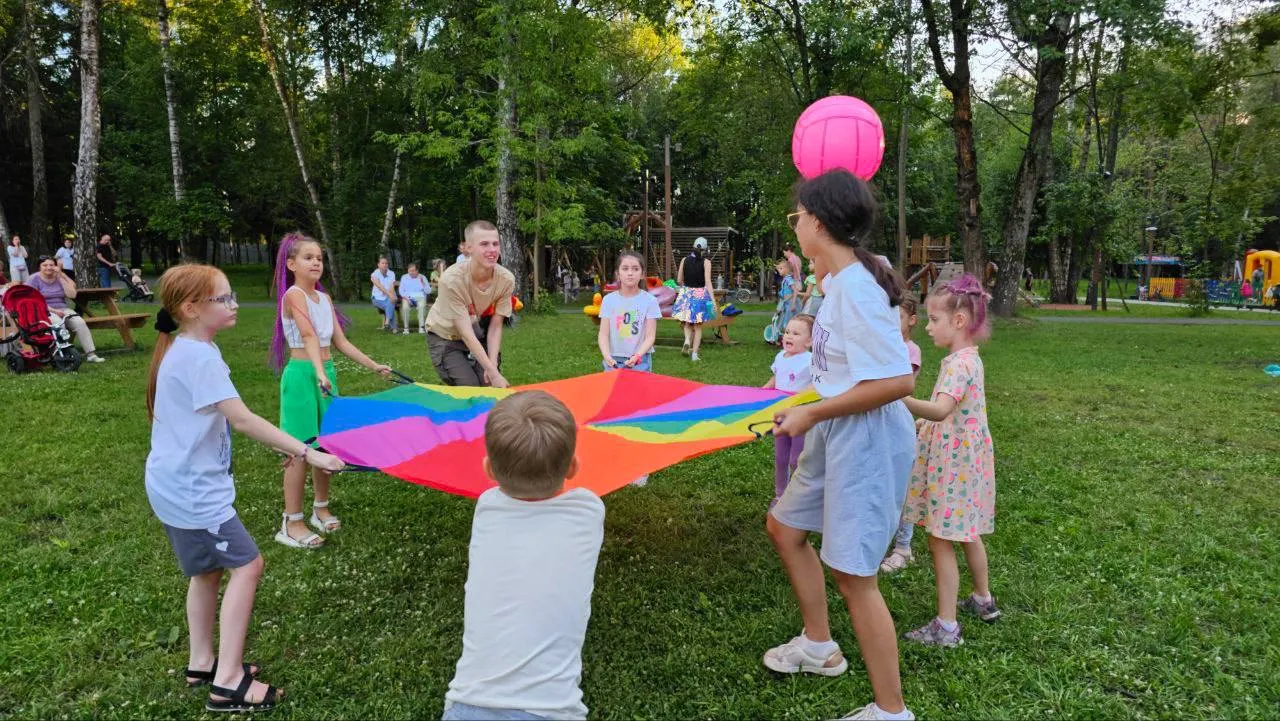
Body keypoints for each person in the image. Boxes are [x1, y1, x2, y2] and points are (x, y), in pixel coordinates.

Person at [144, 263, 345, 713]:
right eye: (225, 299)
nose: (234, 304)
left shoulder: (185, 348)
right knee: (248, 566)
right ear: (192, 308)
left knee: (206, 572)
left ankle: (202, 662)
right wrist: (308, 451)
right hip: (195, 493)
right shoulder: (198, 356)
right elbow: (242, 418)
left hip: (170, 486)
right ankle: (228, 683)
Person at [766, 170, 916, 721]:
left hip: (869, 438)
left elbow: (898, 382)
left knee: (854, 576)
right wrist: (808, 402)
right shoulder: (837, 283)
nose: (796, 225)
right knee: (785, 528)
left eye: (798, 216)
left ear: (819, 222)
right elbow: (842, 369)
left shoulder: (857, 290)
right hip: (835, 428)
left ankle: (891, 712)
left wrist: (812, 412)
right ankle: (819, 646)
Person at [443, 390, 604, 721]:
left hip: (468, 705)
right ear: (574, 466)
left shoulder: (486, 507)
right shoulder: (589, 509)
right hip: (552, 712)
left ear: (488, 468)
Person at [270, 233, 391, 549]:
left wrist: (373, 365)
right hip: (301, 376)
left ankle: (320, 508)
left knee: (327, 444)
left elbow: (340, 342)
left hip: (325, 375)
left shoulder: (324, 299)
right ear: (291, 263)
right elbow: (308, 335)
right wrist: (320, 372)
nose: (315, 262)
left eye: (319, 258)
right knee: (300, 448)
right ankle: (291, 522)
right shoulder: (293, 296)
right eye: (308, 257)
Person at [900, 275, 999, 647]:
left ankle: (946, 626)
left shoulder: (958, 364)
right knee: (967, 530)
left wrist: (898, 398)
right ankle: (982, 599)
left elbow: (941, 409)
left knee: (941, 539)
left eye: (933, 319)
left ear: (958, 321)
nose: (927, 327)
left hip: (953, 464)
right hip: (965, 461)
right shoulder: (969, 359)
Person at [597, 250, 661, 488]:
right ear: (618, 273)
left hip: (639, 363)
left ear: (642, 273)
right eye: (625, 268)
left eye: (635, 269)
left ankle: (639, 467)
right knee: (613, 414)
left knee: (638, 415)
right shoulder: (609, 300)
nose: (630, 273)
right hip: (612, 361)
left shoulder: (648, 301)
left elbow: (650, 335)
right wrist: (607, 356)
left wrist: (638, 354)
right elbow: (603, 334)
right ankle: (616, 461)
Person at [426, 221, 514, 388]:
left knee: (488, 384)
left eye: (495, 244)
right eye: (484, 244)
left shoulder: (506, 279)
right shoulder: (451, 280)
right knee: (470, 386)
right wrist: (493, 372)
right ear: (468, 248)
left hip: (476, 332)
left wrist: (492, 366)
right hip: (446, 336)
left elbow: (495, 326)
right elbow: (465, 333)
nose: (492, 250)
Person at [880, 294, 924, 574]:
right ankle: (881, 540)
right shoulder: (882, 345)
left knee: (902, 489)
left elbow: (898, 386)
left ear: (911, 320)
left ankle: (903, 548)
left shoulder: (910, 350)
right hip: (878, 423)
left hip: (898, 424)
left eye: (896, 317)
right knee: (882, 485)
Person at [762, 314, 814, 506]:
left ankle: (797, 496)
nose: (789, 336)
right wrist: (760, 394)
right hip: (780, 416)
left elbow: (817, 386)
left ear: (809, 341)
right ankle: (780, 495)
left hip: (799, 417)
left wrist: (798, 396)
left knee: (796, 458)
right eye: (787, 332)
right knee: (781, 456)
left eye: (796, 333)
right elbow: (775, 380)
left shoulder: (810, 361)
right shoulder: (780, 357)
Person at [26, 256, 106, 363]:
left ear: (56, 266)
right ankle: (62, 354)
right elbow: (33, 300)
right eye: (45, 265)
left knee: (80, 323)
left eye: (51, 265)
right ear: (39, 267)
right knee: (59, 324)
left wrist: (60, 277)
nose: (48, 267)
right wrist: (53, 311)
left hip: (63, 308)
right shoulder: (34, 278)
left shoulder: (59, 277)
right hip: (44, 309)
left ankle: (91, 354)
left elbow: (72, 295)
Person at [671, 236, 715, 362]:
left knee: (687, 322)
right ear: (705, 250)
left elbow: (679, 280)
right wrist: (712, 300)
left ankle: (686, 340)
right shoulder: (707, 263)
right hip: (700, 294)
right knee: (698, 327)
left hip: (686, 293)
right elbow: (708, 282)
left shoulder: (684, 260)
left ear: (693, 247)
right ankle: (694, 355)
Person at [765, 258, 802, 346]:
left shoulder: (789, 279)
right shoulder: (785, 279)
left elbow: (795, 291)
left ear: (787, 269)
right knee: (778, 319)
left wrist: (793, 304)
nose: (779, 271)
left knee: (787, 322)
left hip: (789, 303)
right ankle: (776, 338)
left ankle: (788, 340)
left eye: (781, 269)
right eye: (778, 269)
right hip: (784, 303)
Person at [397, 263, 431, 335]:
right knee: (405, 307)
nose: (411, 273)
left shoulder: (422, 277)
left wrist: (423, 283)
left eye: (413, 271)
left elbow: (428, 291)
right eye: (409, 271)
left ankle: (421, 328)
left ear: (417, 270)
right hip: (407, 297)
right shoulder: (404, 277)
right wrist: (406, 297)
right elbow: (401, 290)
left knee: (421, 307)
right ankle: (406, 328)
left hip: (420, 297)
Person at [370, 256, 398, 331]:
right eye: (382, 263)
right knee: (390, 304)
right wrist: (391, 296)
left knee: (390, 303)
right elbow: (380, 287)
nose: (385, 265)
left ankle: (387, 323)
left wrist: (391, 295)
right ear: (378, 264)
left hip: (389, 297)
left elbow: (392, 286)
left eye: (386, 263)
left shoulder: (391, 273)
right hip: (377, 298)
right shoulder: (374, 274)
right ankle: (393, 327)